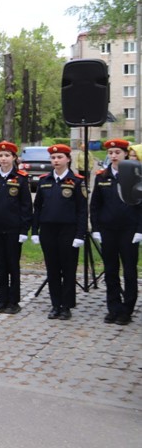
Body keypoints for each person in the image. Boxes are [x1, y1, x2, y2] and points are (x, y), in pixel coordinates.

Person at [31, 144, 87, 321]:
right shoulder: (44, 180)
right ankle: (55, 304)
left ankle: (66, 306)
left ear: (68, 159)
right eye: (53, 158)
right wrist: (34, 230)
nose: (56, 160)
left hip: (68, 230)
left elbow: (82, 210)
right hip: (48, 230)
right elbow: (37, 207)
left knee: (68, 269)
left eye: (59, 157)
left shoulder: (77, 181)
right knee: (52, 269)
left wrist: (80, 234)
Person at [90, 138, 142, 325]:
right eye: (110, 153)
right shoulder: (102, 176)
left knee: (129, 271)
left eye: (117, 153)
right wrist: (96, 228)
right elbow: (95, 205)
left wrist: (140, 229)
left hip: (129, 230)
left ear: (125, 154)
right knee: (111, 270)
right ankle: (113, 307)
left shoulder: (135, 175)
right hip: (108, 230)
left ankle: (127, 310)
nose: (113, 156)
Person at [0, 141, 32, 314]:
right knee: (0, 266)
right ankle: (2, 300)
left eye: (7, 155)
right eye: (0, 156)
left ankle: (14, 301)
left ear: (14, 158)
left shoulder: (21, 179)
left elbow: (26, 206)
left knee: (12, 265)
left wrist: (24, 230)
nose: (3, 159)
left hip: (13, 230)